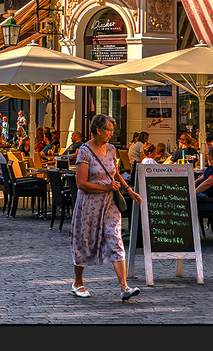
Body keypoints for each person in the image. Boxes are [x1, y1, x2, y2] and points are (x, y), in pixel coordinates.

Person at [71, 113, 143, 301]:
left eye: (113, 130)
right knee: (85, 241)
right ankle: (78, 281)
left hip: (110, 203)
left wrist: (129, 190)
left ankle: (124, 287)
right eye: (109, 130)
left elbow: (116, 174)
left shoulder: (111, 149)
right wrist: (105, 187)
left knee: (115, 238)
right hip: (89, 204)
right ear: (97, 130)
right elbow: (81, 183)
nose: (112, 133)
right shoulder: (84, 151)